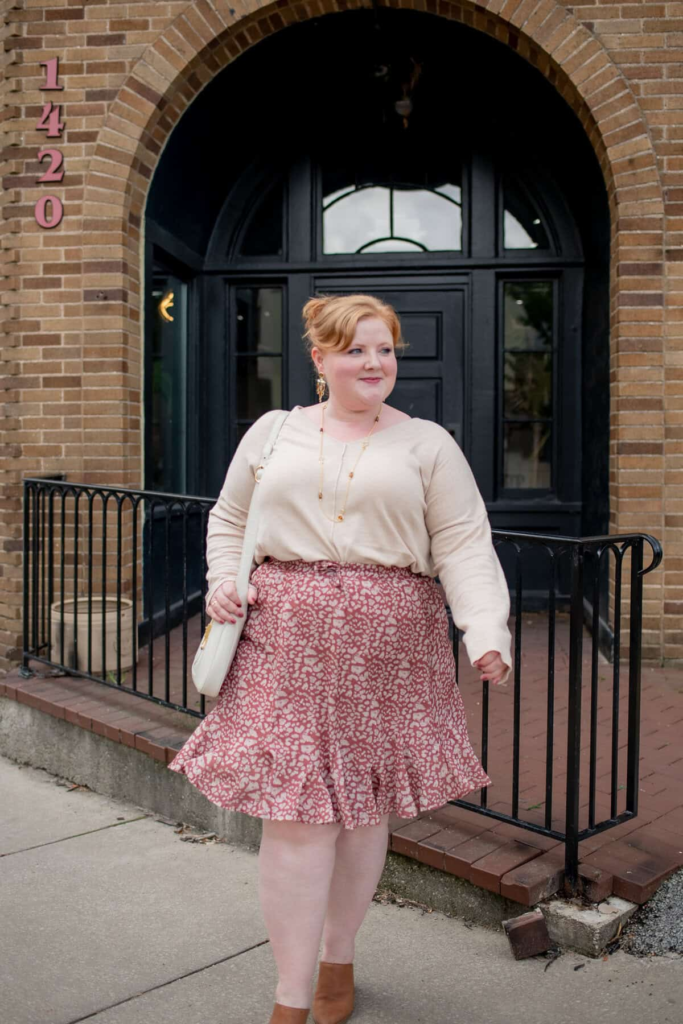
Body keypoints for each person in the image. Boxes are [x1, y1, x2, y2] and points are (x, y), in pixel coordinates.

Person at [168, 293, 512, 1024]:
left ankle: (338, 958)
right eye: (356, 349)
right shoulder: (272, 432)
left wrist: (484, 630)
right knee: (295, 818)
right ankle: (291, 995)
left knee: (361, 815)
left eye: (384, 349)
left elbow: (461, 544)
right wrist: (222, 583)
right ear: (319, 359)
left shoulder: (426, 445)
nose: (374, 363)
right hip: (280, 648)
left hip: (390, 654)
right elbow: (228, 519)